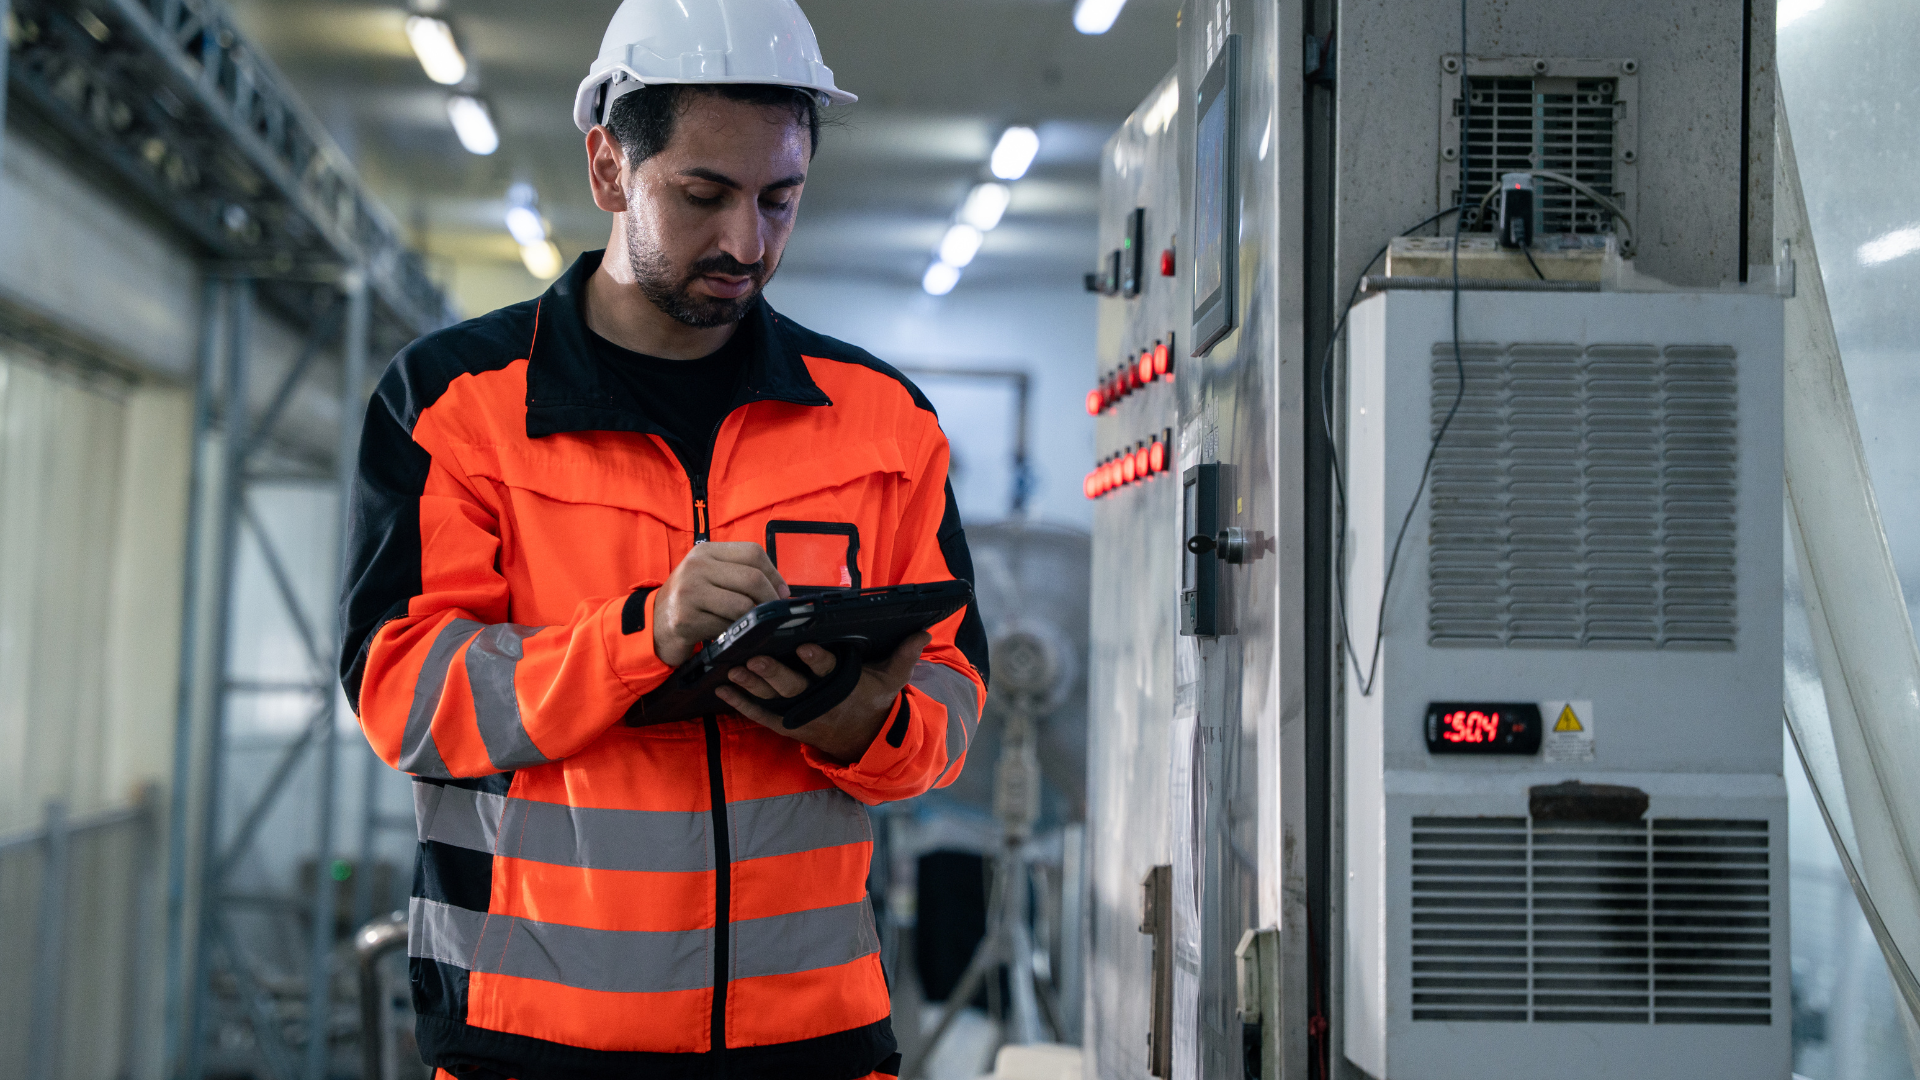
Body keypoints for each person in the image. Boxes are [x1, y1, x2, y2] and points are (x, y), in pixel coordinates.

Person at [336, 1, 988, 1076]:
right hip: (536, 1041)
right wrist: (641, 637)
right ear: (607, 168)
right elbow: (404, 696)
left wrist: (862, 724)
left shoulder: (884, 424)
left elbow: (953, 693)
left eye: (781, 199)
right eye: (703, 195)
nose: (747, 242)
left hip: (814, 1037)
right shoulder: (458, 406)